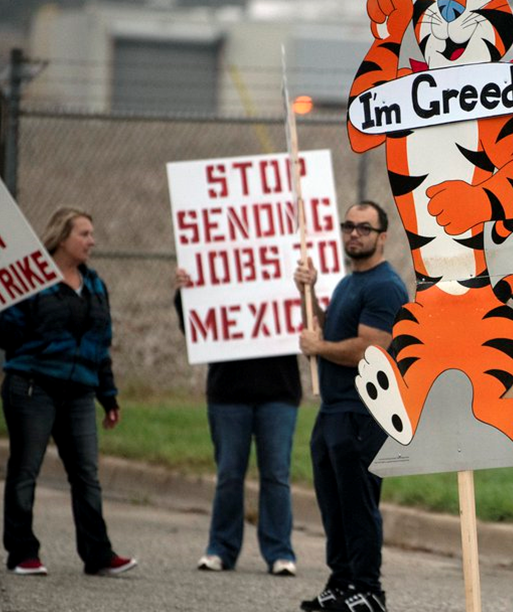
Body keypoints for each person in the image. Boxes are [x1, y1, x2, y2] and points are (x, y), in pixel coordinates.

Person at [0, 206, 137, 577]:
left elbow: (100, 346)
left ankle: (98, 554)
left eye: (92, 234)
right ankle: (22, 554)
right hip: (32, 387)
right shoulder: (30, 280)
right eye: (84, 234)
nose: (92, 241)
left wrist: (108, 397)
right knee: (26, 470)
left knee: (86, 475)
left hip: (79, 393)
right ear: (62, 238)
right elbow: (8, 335)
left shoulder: (95, 285)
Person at [293, 201, 408, 612]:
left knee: (358, 504)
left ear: (383, 236)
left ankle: (368, 589)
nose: (354, 233)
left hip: (363, 413)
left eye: (364, 227)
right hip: (333, 411)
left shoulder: (385, 285)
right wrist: (307, 292)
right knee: (334, 503)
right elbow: (330, 329)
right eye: (349, 226)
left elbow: (370, 349)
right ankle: (341, 581)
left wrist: (319, 347)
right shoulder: (348, 283)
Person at [173, 269, 301, 575]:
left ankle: (280, 552)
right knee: (229, 474)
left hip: (278, 391)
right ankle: (221, 549)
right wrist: (185, 294)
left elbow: (314, 318)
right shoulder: (220, 270)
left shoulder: (288, 269)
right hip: (228, 392)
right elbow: (195, 327)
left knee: (276, 476)